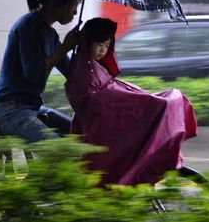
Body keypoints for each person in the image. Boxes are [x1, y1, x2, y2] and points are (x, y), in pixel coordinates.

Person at [65, 17, 197, 187]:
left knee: (162, 103)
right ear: (87, 41)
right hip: (102, 125)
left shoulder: (89, 65)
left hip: (106, 116)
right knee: (161, 105)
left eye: (106, 46)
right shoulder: (82, 68)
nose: (102, 50)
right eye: (99, 45)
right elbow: (95, 101)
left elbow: (108, 92)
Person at [0, 0, 84, 142]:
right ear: (57, 2)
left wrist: (84, 48)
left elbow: (71, 71)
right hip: (9, 109)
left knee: (79, 137)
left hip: (32, 108)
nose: (75, 11)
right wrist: (65, 47)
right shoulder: (29, 26)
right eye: (75, 4)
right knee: (58, 151)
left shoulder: (51, 34)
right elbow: (34, 75)